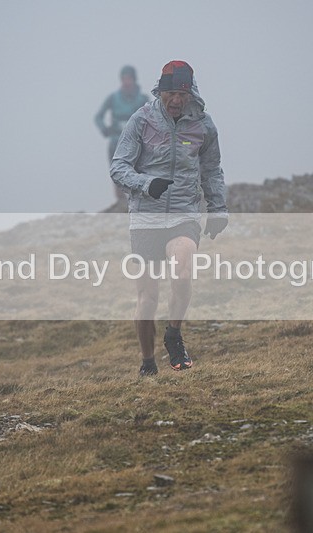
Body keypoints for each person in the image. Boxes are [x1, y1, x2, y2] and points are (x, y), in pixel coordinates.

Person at [110, 60, 228, 376]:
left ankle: (173, 335)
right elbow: (118, 167)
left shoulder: (203, 125)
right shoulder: (141, 121)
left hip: (183, 214)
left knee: (183, 273)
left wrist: (217, 208)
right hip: (145, 218)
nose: (176, 100)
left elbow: (211, 169)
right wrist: (147, 184)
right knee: (147, 298)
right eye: (170, 93)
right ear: (160, 92)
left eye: (181, 94)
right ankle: (148, 362)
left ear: (191, 93)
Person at [95, 66, 150, 202]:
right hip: (116, 143)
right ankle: (121, 204)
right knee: (117, 172)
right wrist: (105, 129)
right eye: (124, 78)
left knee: (138, 172)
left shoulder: (143, 99)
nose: (127, 81)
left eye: (129, 78)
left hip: (137, 143)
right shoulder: (113, 98)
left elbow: (153, 118)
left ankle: (138, 200)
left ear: (134, 79)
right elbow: (98, 117)